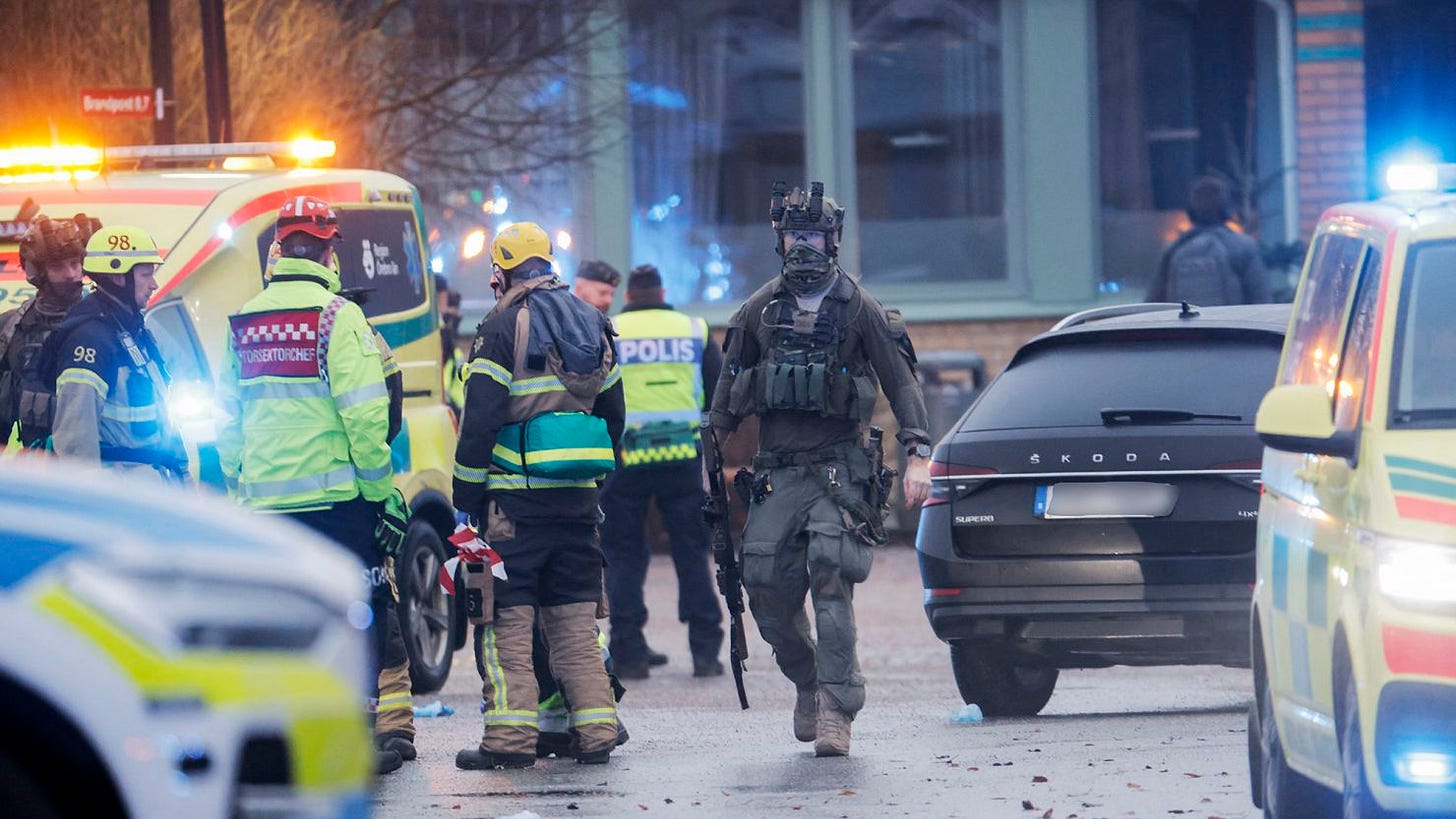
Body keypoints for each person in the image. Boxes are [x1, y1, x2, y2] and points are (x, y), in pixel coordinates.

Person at [708, 181, 932, 757]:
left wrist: (918, 454)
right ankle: (808, 682)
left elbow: (902, 383)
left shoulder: (860, 308)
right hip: (777, 470)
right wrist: (708, 456)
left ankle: (837, 705)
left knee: (831, 575)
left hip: (839, 468)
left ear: (833, 240)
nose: (802, 248)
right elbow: (729, 395)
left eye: (812, 236)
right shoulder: (759, 309)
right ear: (778, 242)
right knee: (763, 588)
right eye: (793, 237)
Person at [215, 196, 409, 775]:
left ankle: (289, 741)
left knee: (283, 625)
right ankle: (353, 741)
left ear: (277, 251)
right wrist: (383, 497)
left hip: (266, 508)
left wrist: (237, 491)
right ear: (328, 251)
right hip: (338, 506)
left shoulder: (245, 320)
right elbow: (365, 419)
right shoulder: (337, 317)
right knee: (358, 618)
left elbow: (228, 422)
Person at [452, 222, 625, 770]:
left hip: (512, 509)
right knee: (575, 626)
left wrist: (466, 495)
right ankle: (597, 734)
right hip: (576, 504)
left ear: (501, 271)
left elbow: (479, 419)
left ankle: (508, 742)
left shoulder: (502, 325)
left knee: (506, 629)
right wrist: (592, 483)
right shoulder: (594, 321)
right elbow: (614, 416)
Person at [600, 263, 724, 679]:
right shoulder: (694, 329)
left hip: (625, 458)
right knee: (691, 551)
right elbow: (718, 390)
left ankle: (629, 652)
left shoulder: (609, 329)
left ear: (629, 296)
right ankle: (705, 651)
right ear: (663, 292)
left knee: (623, 554)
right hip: (681, 456)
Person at [40, 225, 188, 479]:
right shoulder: (89, 341)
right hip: (123, 495)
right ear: (119, 277)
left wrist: (183, 478)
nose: (153, 285)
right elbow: (75, 443)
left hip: (155, 488)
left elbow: (164, 418)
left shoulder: (133, 331)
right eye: (145, 275)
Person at [0, 213, 98, 450]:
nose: (71, 274)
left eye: (76, 263)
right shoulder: (11, 328)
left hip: (101, 467)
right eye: (58, 267)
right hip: (41, 469)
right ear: (37, 273)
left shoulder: (104, 322)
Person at [1147, 175, 1271, 306]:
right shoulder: (1243, 246)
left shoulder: (1173, 250)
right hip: (1229, 325)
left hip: (1184, 326)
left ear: (1190, 212)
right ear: (1226, 209)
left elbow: (1153, 302)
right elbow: (1261, 300)